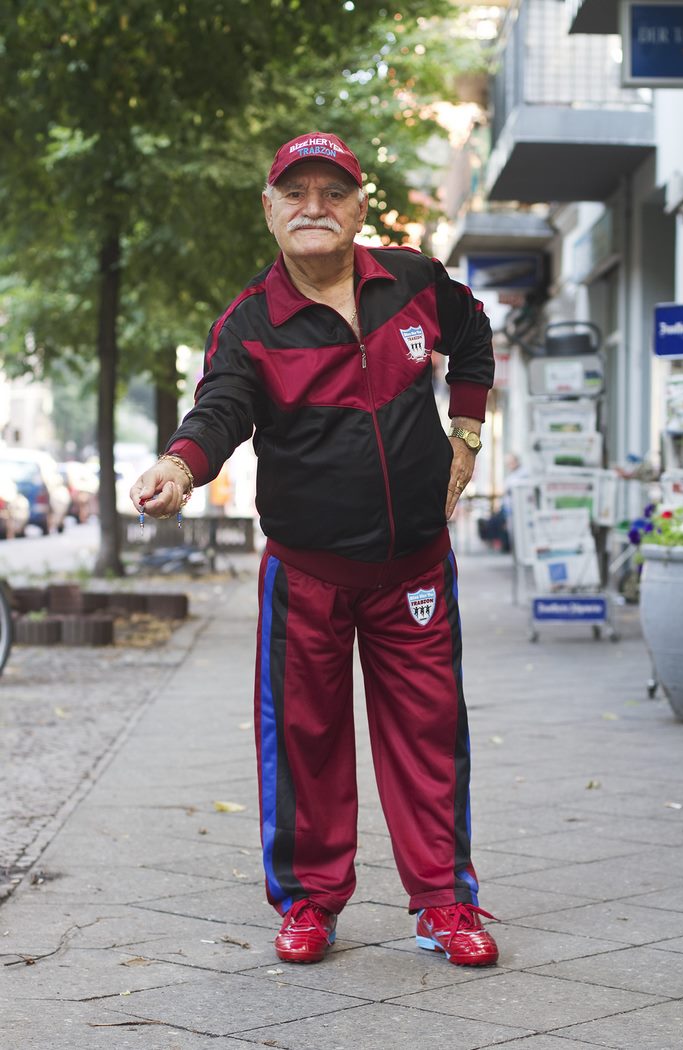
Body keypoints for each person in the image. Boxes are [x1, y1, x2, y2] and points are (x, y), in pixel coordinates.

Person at [130, 131, 499, 968]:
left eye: (332, 193)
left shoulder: (410, 279)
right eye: (295, 194)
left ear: (358, 208)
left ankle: (445, 902)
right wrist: (179, 469)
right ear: (270, 210)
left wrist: (466, 433)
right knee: (305, 738)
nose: (314, 208)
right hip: (309, 576)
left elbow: (473, 335)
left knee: (431, 734)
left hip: (414, 569)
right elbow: (219, 409)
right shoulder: (251, 321)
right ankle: (307, 901)